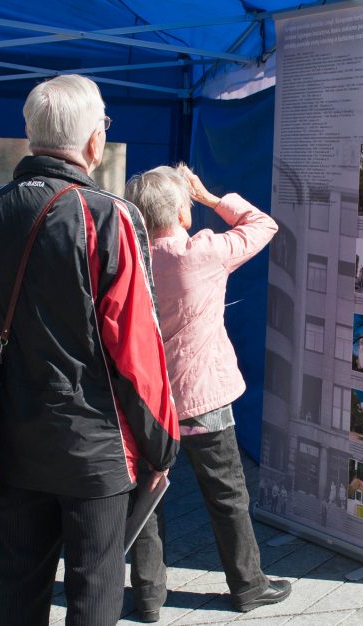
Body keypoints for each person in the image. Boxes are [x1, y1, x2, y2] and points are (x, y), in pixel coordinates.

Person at [0, 74, 180, 626]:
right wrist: (162, 443)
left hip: (11, 430)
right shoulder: (108, 214)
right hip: (94, 443)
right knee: (94, 584)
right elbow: (137, 348)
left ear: (31, 134)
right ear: (94, 142)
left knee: (13, 576)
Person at [125, 164, 290, 619]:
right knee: (227, 495)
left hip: (144, 403)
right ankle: (248, 586)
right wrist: (210, 197)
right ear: (182, 211)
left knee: (146, 497)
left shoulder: (124, 260)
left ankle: (148, 596)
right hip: (203, 398)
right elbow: (263, 224)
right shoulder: (203, 252)